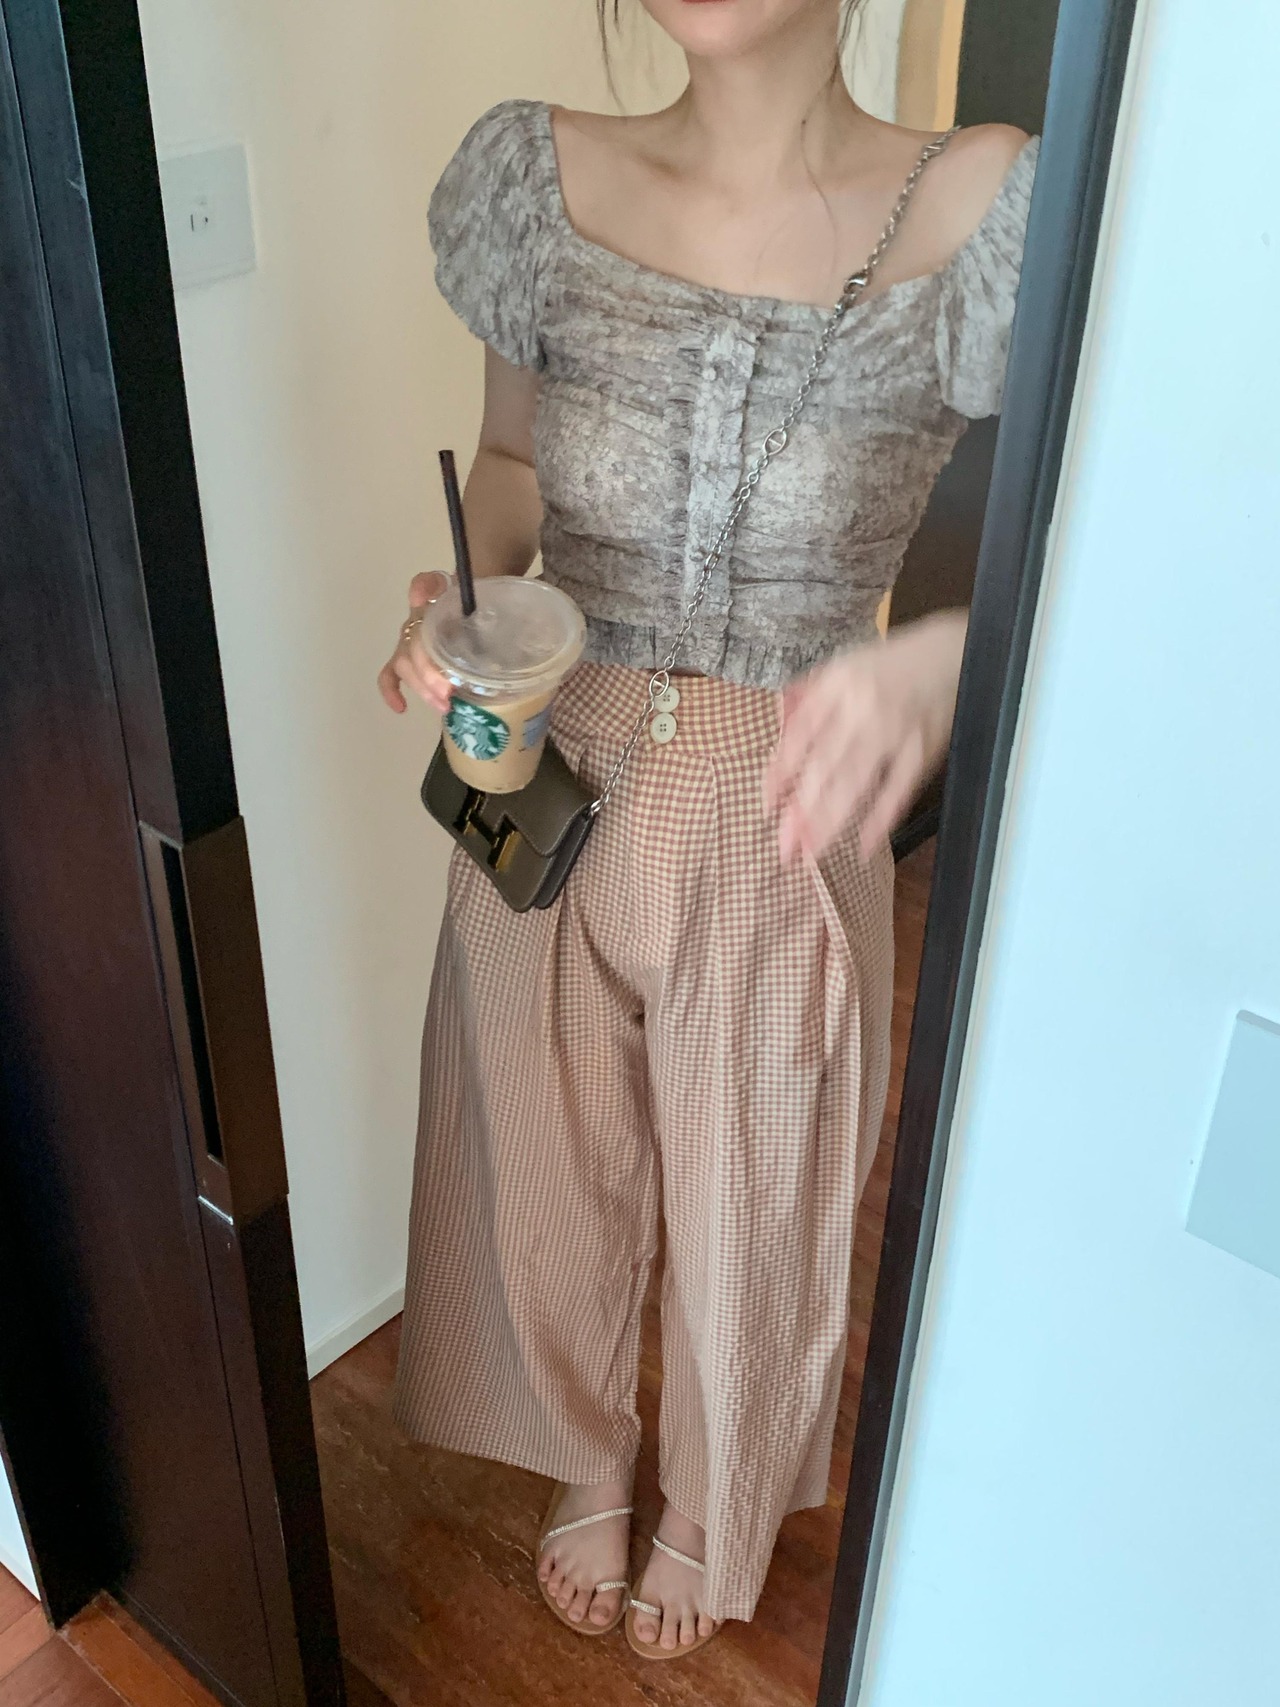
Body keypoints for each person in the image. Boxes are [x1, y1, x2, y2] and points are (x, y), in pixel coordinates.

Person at [379, 0, 1037, 1661]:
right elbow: (510, 460)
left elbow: (1138, 498)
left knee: (765, 1191)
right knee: (542, 1147)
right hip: (545, 746)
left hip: (783, 785)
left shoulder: (980, 205)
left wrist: (950, 658)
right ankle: (587, 1450)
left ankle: (714, 1494)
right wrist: (471, 596)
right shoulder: (535, 176)